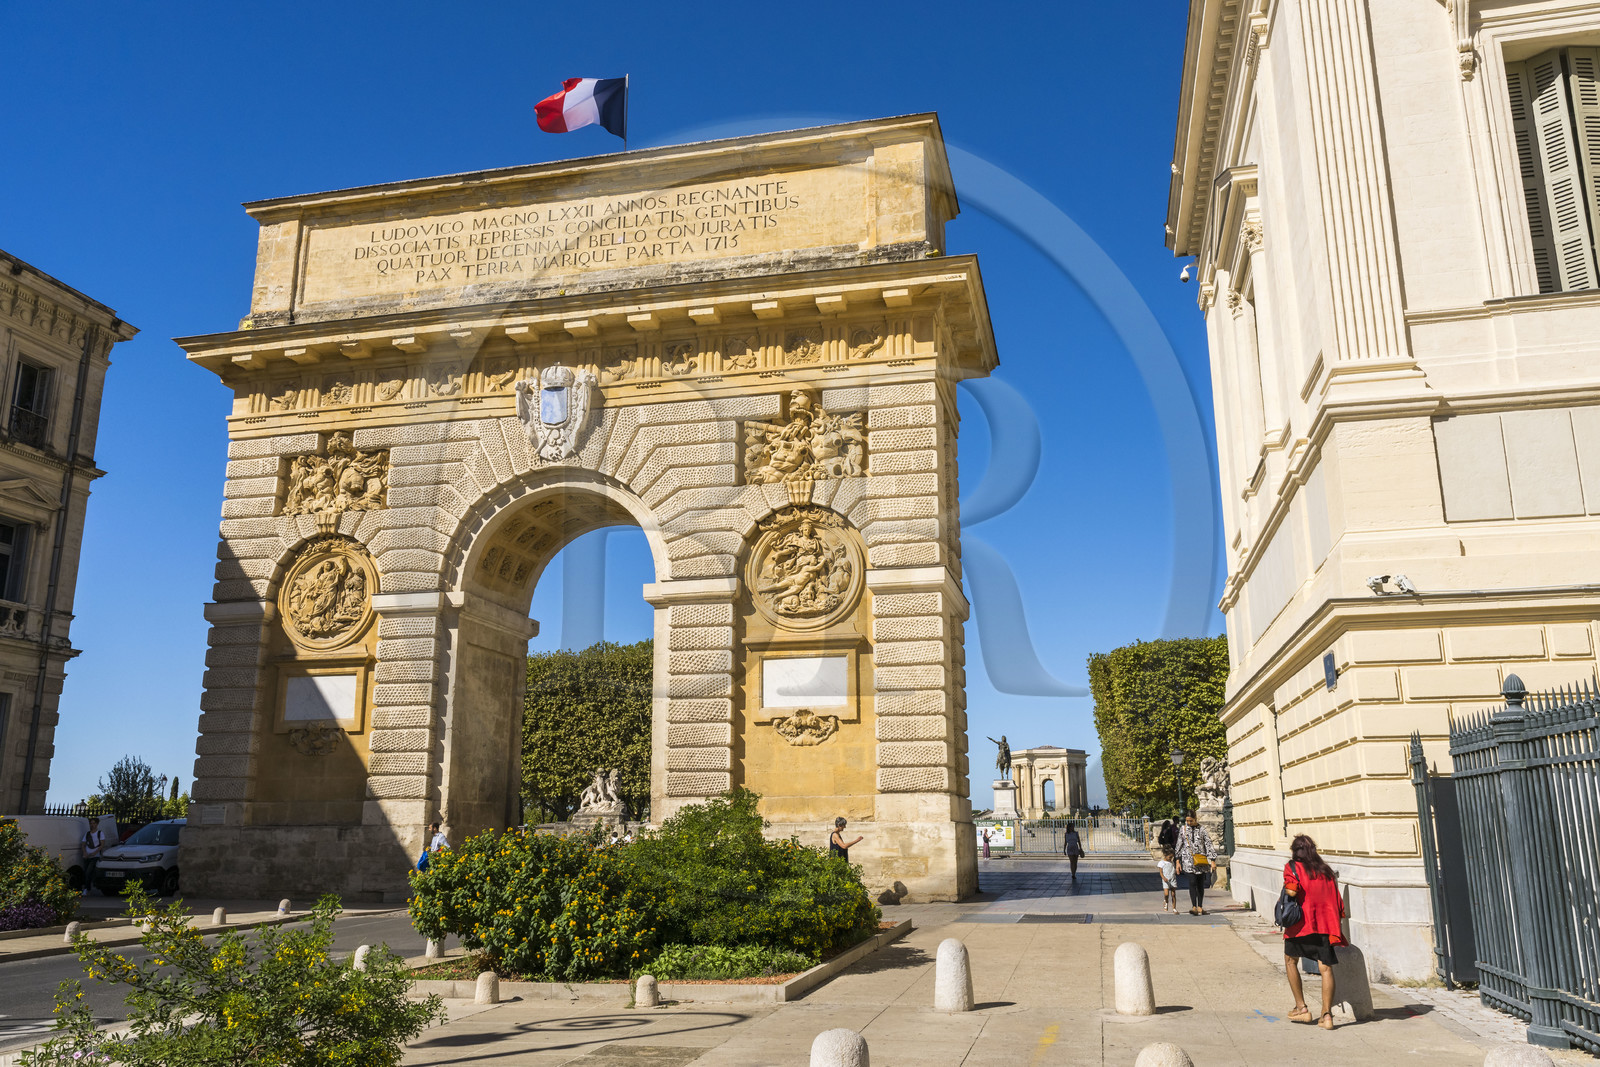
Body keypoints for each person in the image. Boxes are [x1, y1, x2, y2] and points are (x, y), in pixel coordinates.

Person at [1282, 834, 1346, 1030]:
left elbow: (1292, 891)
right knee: (1325, 969)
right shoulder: (1326, 871)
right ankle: (1326, 1016)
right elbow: (1337, 901)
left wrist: (1288, 885)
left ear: (1295, 852)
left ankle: (1301, 1007)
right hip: (1325, 926)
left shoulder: (1292, 867)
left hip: (1301, 925)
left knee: (1290, 960)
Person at [1174, 811, 1213, 915]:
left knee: (1200, 883)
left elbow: (1208, 844)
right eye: (1187, 821)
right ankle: (1194, 906)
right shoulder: (1183, 829)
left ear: (1195, 819)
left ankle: (1200, 906)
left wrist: (1212, 860)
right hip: (1188, 860)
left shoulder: (1202, 829)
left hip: (1201, 860)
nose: (1189, 823)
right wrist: (1177, 861)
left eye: (1191, 821)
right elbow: (1179, 845)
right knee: (1192, 882)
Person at [81, 817, 105, 897]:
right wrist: (85, 853)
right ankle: (87, 888)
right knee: (86, 872)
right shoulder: (87, 834)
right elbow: (83, 844)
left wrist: (95, 852)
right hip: (87, 856)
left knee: (89, 871)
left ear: (97, 824)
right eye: (91, 823)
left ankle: (87, 889)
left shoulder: (100, 833)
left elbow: (102, 845)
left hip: (95, 856)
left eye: (94, 823)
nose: (92, 825)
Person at [1157, 847, 1178, 913]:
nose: (1170, 858)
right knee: (1166, 894)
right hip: (1166, 880)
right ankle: (1166, 901)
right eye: (1169, 857)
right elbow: (1161, 872)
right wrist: (1163, 877)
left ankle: (1174, 908)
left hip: (1173, 879)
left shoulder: (1172, 862)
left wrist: (1176, 871)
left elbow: (1173, 869)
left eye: (1172, 857)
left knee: (1173, 894)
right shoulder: (1162, 863)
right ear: (1165, 855)